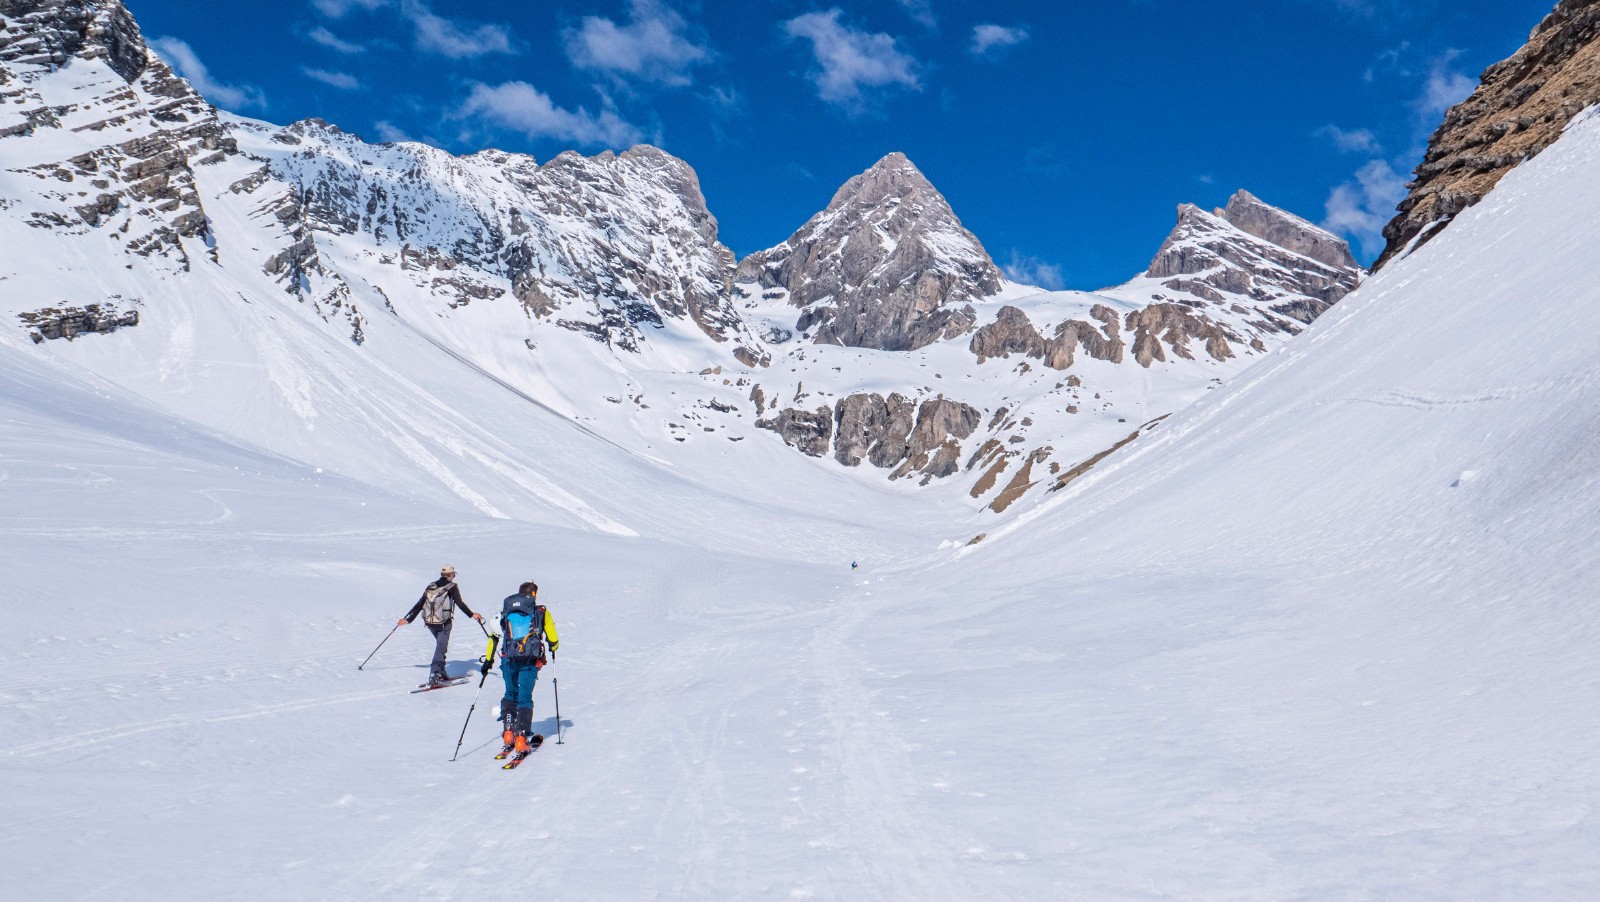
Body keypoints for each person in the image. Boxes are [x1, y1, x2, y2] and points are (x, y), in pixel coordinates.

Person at [498, 581, 559, 756]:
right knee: (524, 698)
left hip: (508, 659)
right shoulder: (541, 612)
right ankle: (521, 737)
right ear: (534, 595)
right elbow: (553, 640)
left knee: (510, 693)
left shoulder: (507, 610)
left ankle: (509, 731)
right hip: (529, 660)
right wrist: (552, 648)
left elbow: (498, 632)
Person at [397, 565, 484, 686]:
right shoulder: (452, 587)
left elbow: (420, 603)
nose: (454, 577)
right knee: (440, 648)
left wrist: (408, 619)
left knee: (441, 646)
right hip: (444, 623)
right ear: (451, 575)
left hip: (430, 623)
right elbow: (460, 603)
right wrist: (472, 614)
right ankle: (434, 675)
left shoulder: (431, 586)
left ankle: (441, 671)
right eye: (454, 574)